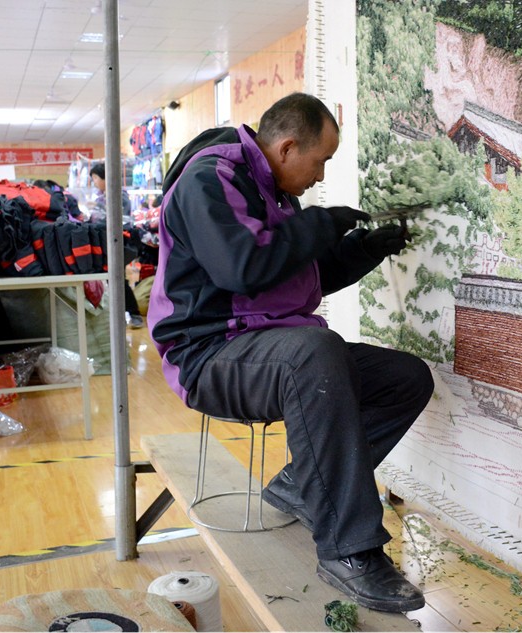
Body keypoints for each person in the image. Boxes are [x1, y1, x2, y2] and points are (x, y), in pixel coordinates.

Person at [147, 92, 432, 613]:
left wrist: (365, 248)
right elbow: (243, 268)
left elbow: (298, 274)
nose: (320, 175)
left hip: (267, 349)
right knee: (313, 353)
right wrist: (322, 223)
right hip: (207, 356)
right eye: (320, 161)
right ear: (287, 147)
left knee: (406, 378)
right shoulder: (209, 180)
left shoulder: (273, 193)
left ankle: (303, 486)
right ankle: (349, 550)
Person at [88, 162, 145, 328]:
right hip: (105, 241)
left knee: (117, 277)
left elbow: (120, 219)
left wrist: (97, 213)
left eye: (96, 178)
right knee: (111, 278)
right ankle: (119, 316)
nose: (95, 182)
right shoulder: (103, 196)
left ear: (105, 177)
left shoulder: (119, 195)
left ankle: (133, 314)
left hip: (118, 241)